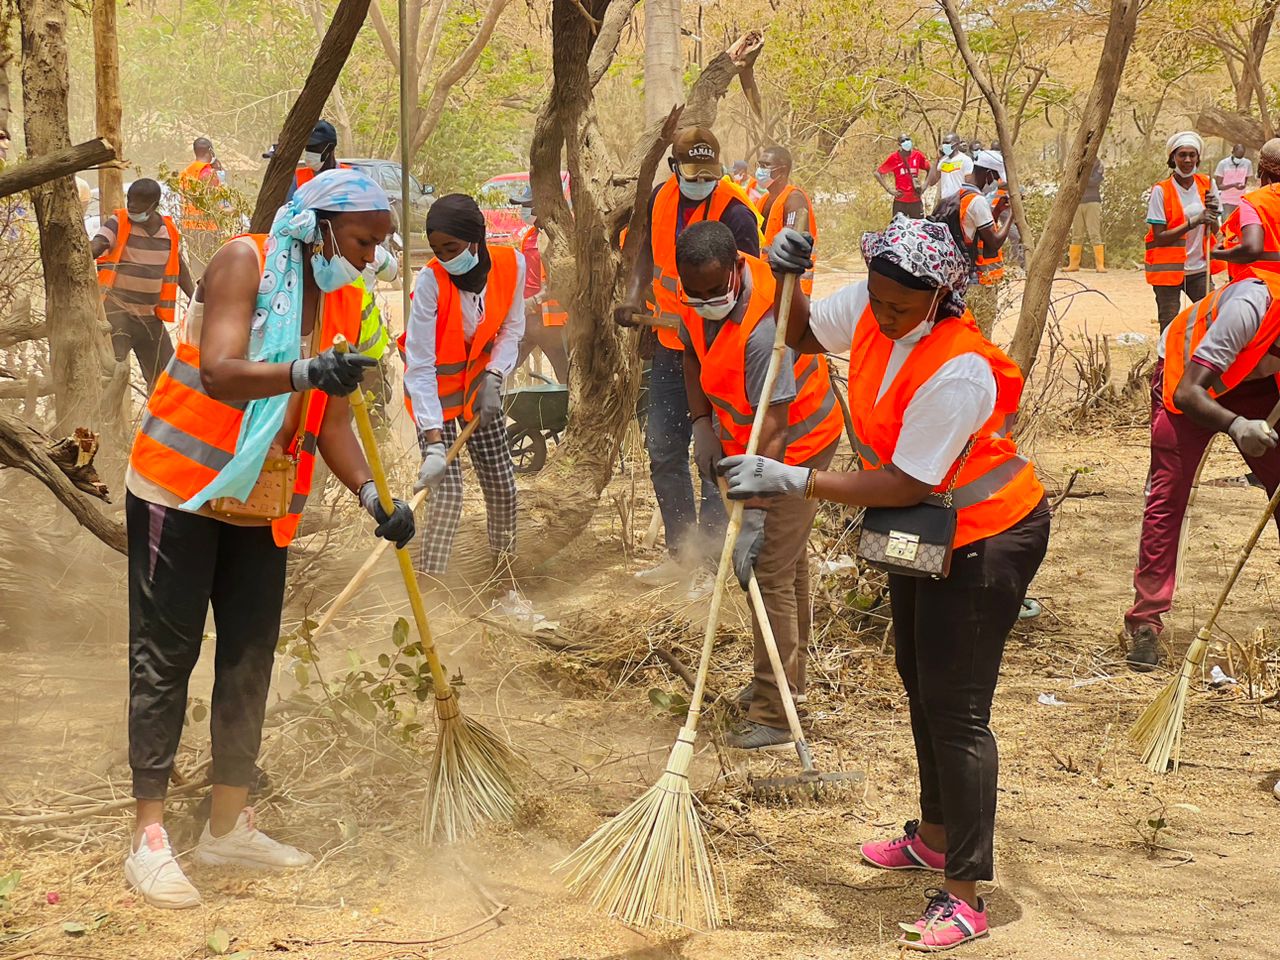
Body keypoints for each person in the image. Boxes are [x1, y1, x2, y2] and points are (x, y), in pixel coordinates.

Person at [723, 215, 1048, 952]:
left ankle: (963, 895)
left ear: (939, 298)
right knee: (917, 677)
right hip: (933, 526)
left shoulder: (957, 369)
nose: (882, 315)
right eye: (877, 300)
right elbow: (801, 333)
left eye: (900, 308)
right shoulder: (874, 305)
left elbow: (904, 481)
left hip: (986, 532)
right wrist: (789, 278)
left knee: (958, 709)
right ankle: (934, 837)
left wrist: (795, 478)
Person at [122, 169, 413, 908]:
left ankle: (227, 826)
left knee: (249, 658)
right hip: (181, 490)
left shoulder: (344, 298)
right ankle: (149, 838)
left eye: (380, 244)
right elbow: (220, 372)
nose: (370, 256)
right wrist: (303, 367)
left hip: (261, 503)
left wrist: (373, 495)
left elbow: (335, 419)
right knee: (167, 656)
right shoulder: (244, 263)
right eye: (362, 240)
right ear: (319, 225)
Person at [675, 221, 842, 748]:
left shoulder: (765, 330)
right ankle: (787, 683)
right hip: (750, 440)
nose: (704, 302)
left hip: (797, 446)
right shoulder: (697, 297)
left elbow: (774, 426)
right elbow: (689, 351)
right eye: (695, 294)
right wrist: (701, 422)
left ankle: (774, 714)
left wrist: (756, 512)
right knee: (785, 565)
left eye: (713, 292)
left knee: (766, 568)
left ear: (736, 269)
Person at [614, 126, 760, 591]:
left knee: (715, 454)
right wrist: (634, 297)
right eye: (692, 175)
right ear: (674, 169)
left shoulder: (737, 213)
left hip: (719, 349)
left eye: (709, 175)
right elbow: (644, 256)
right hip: (672, 345)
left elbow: (750, 286)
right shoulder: (659, 199)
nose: (702, 183)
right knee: (663, 448)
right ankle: (682, 554)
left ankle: (711, 562)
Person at [1123, 272, 1280, 670]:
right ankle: (1145, 621)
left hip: (1256, 379)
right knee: (1169, 495)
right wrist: (1237, 425)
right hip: (1188, 376)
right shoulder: (1248, 309)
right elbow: (1188, 393)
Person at [403, 194, 525, 582]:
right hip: (434, 400)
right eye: (437, 250)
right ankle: (431, 591)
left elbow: (511, 328)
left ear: (476, 239)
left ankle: (504, 583)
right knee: (447, 494)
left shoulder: (512, 264)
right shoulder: (430, 282)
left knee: (503, 487)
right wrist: (435, 443)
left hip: (479, 394)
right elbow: (419, 366)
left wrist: (495, 376)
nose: (444, 258)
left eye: (451, 248)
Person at [91, 178, 195, 392]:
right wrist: (89, 249)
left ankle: (155, 423)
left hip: (150, 319)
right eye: (130, 200)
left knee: (166, 380)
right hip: (117, 315)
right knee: (109, 376)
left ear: (154, 205)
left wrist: (194, 296)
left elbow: (179, 265)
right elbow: (98, 243)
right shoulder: (118, 222)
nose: (132, 206)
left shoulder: (168, 231)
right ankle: (101, 423)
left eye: (139, 203)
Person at [1145, 131, 1222, 332]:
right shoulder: (1161, 191)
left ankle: (1200, 361)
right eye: (1182, 155)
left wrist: (1212, 211)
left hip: (1199, 269)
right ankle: (1167, 363)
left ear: (1198, 157)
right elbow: (1160, 237)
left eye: (1192, 155)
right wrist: (1194, 221)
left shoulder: (1208, 184)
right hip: (1168, 271)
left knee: (1212, 319)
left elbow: (1215, 229)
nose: (1187, 160)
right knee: (1169, 325)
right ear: (1173, 158)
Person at [929, 150, 1011, 337]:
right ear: (989, 174)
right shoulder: (977, 201)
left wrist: (997, 211)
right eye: (996, 177)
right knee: (981, 332)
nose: (995, 182)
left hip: (958, 278)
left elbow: (971, 232)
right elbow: (994, 241)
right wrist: (1012, 217)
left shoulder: (957, 197)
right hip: (978, 279)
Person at [508, 184, 569, 382]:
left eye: (530, 206)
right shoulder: (529, 237)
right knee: (504, 368)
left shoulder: (562, 237)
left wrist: (539, 298)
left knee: (565, 377)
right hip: (528, 319)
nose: (527, 211)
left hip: (552, 324)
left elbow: (565, 279)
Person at [1215, 138, 1280, 284]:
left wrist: (1219, 254)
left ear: (1260, 170)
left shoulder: (1255, 201)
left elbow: (1251, 249)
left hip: (1261, 289)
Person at [755, 145, 818, 295]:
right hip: (767, 285)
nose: (760, 170)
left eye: (766, 165)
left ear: (782, 171)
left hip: (792, 288)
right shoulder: (763, 201)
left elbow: (792, 247)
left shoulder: (794, 199)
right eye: (759, 165)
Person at [179, 137, 220, 270]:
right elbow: (216, 201)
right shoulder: (208, 173)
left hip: (188, 227)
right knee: (210, 267)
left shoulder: (186, 172)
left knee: (196, 268)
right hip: (207, 227)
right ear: (210, 151)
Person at [875, 133, 931, 219]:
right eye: (903, 141)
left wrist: (924, 186)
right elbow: (877, 173)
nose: (906, 142)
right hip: (900, 201)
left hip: (915, 200)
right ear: (899, 144)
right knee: (898, 227)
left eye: (908, 139)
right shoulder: (894, 158)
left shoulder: (917, 155)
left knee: (918, 227)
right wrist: (889, 190)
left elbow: (930, 169)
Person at [1065, 157, 1105, 273]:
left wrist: (1082, 178)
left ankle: (1100, 265)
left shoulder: (1098, 164)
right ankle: (1073, 264)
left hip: (1093, 201)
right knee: (1076, 233)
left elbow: (1095, 181)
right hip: (1078, 201)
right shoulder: (1077, 163)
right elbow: (1072, 180)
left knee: (1094, 233)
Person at [288, 120, 348, 198]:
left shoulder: (349, 176)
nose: (309, 152)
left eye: (314, 147)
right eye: (307, 147)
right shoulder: (297, 178)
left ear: (331, 147)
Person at [924, 131, 973, 202]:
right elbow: (932, 182)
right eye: (943, 143)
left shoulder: (965, 160)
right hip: (945, 201)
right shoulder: (943, 161)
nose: (944, 145)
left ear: (956, 144)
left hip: (959, 201)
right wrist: (937, 159)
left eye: (947, 143)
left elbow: (969, 184)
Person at [1214, 143, 1254, 219]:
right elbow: (1218, 186)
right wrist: (1233, 185)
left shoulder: (1247, 164)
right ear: (1232, 152)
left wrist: (1242, 186)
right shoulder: (1223, 164)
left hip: (1240, 200)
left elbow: (1245, 181)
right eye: (1237, 156)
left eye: (1241, 157)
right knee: (1226, 224)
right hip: (1226, 200)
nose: (1239, 159)